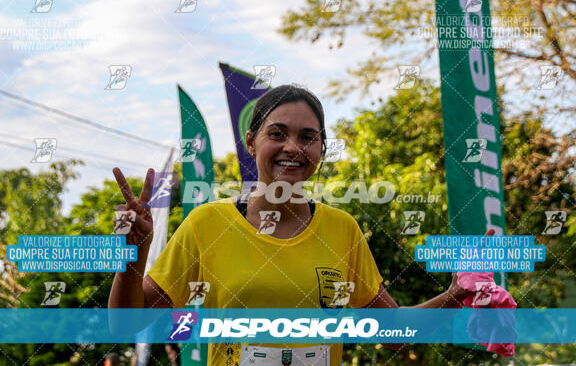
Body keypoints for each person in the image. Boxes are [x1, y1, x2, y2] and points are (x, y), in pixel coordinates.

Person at [108, 84, 479, 366]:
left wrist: (456, 294)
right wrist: (133, 254)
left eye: (307, 138)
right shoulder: (208, 224)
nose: (293, 147)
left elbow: (394, 333)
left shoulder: (343, 230)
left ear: (320, 150)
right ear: (251, 142)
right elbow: (126, 325)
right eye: (277, 133)